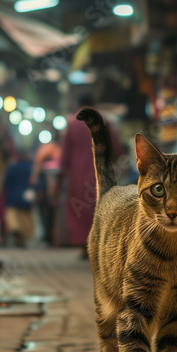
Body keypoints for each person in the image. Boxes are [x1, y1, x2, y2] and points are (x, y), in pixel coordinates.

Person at [58, 94, 121, 255]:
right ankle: (99, 244)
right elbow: (115, 148)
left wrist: (61, 174)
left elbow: (64, 155)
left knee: (79, 210)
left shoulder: (72, 124)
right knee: (100, 207)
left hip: (77, 175)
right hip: (101, 173)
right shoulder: (104, 121)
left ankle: (84, 245)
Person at [30, 131, 61, 246]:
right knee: (46, 213)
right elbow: (36, 173)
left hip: (52, 192)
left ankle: (51, 236)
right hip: (45, 191)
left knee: (50, 214)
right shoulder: (47, 151)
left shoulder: (52, 150)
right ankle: (49, 235)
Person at [2, 149, 36, 247]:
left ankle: (17, 236)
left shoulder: (12, 168)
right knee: (25, 221)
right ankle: (22, 239)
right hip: (26, 199)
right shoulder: (31, 168)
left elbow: (5, 183)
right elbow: (35, 182)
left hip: (12, 198)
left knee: (14, 221)